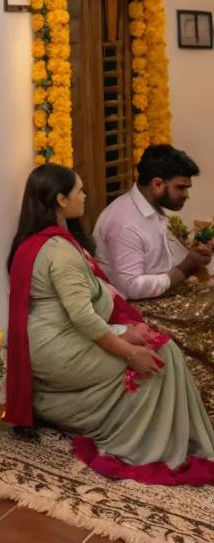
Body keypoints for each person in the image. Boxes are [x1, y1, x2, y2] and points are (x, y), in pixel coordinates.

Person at [6, 163, 214, 483]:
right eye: (79, 191)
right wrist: (129, 351)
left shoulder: (46, 241)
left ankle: (184, 440)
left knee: (164, 348)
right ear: (61, 200)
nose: (85, 196)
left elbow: (81, 312)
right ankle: (147, 446)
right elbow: (82, 316)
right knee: (158, 359)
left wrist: (126, 332)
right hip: (58, 348)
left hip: (59, 338)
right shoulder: (58, 251)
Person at [94, 145, 214, 413]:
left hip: (165, 295)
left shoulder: (153, 208)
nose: (186, 195)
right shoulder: (125, 222)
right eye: (181, 188)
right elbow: (130, 287)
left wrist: (194, 257)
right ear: (158, 183)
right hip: (135, 309)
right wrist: (184, 268)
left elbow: (163, 261)